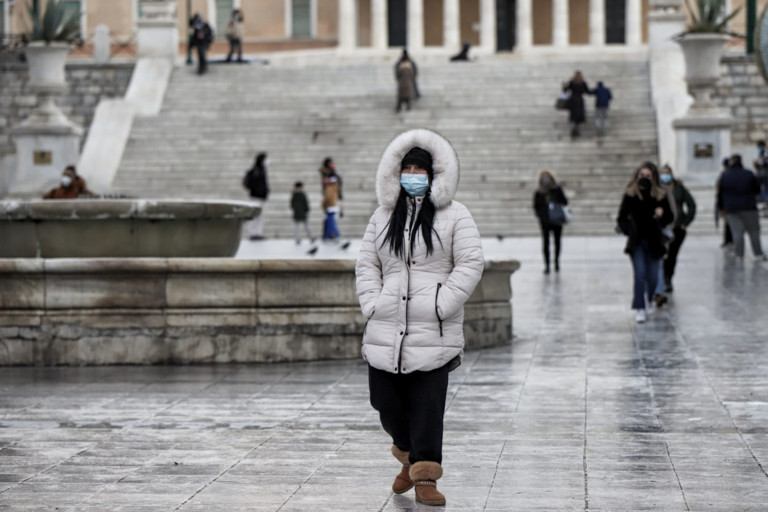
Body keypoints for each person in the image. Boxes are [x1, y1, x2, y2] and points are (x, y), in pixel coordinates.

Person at [355, 128, 484, 507]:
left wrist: (442, 303)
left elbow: (471, 262)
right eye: (407, 168)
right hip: (386, 325)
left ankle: (426, 476)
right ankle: (408, 455)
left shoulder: (455, 215)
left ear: (433, 175)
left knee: (428, 405)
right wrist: (372, 302)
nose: (413, 174)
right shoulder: (383, 216)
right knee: (385, 402)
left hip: (434, 329)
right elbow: (367, 263)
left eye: (420, 169)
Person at [616, 162, 674, 323]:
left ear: (654, 178)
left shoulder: (660, 195)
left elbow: (670, 217)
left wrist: (661, 214)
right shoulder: (630, 195)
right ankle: (640, 307)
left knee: (653, 277)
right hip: (637, 242)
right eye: (642, 176)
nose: (644, 179)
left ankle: (648, 298)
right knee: (640, 274)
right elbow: (621, 218)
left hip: (655, 241)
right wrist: (630, 230)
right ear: (637, 176)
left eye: (648, 176)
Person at [717, 154, 767, 260]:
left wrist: (721, 208)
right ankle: (757, 253)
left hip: (731, 208)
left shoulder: (725, 175)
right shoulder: (749, 174)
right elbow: (757, 189)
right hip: (749, 206)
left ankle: (739, 254)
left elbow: (720, 193)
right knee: (754, 231)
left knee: (737, 232)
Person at [659, 165, 696, 293]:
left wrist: (686, 221)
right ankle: (661, 278)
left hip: (677, 228)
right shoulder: (657, 189)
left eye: (667, 173)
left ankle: (668, 278)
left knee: (672, 255)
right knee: (662, 254)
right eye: (663, 173)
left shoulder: (679, 188)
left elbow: (691, 205)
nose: (665, 175)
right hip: (662, 228)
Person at [533, 170, 568, 274]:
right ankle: (547, 265)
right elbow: (536, 206)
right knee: (546, 243)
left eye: (547, 178)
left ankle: (556, 262)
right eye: (544, 178)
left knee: (557, 242)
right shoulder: (539, 192)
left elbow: (565, 202)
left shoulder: (557, 190)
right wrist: (541, 216)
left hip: (557, 220)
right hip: (545, 222)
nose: (546, 180)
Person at [242, 153, 270, 240]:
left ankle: (258, 233)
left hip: (262, 197)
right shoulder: (255, 170)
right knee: (254, 216)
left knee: (260, 216)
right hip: (255, 196)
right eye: (266, 159)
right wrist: (258, 191)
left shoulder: (262, 170)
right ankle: (252, 233)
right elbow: (253, 184)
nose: (267, 161)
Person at [319, 157, 342, 240]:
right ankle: (335, 235)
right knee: (329, 218)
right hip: (329, 197)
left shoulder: (333, 176)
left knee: (329, 218)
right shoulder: (326, 175)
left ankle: (327, 236)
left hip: (331, 197)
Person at [563, 71, 590, 138]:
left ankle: (573, 130)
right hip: (579, 100)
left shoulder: (572, 82)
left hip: (572, 100)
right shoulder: (582, 83)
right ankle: (577, 130)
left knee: (573, 116)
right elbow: (587, 91)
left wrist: (564, 85)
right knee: (578, 116)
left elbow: (565, 90)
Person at [716, 157, 733, 248]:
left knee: (729, 224)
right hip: (729, 204)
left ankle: (729, 241)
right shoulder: (725, 175)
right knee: (729, 224)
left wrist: (720, 206)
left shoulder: (725, 175)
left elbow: (720, 191)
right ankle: (729, 241)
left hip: (728, 204)